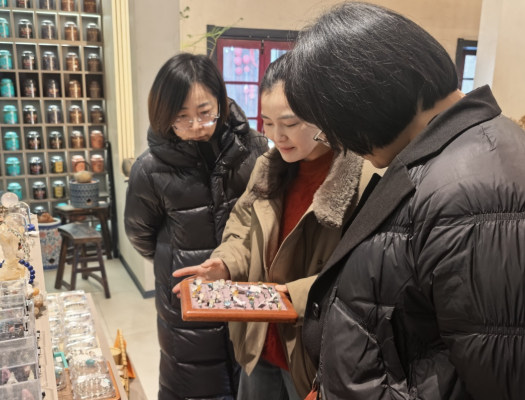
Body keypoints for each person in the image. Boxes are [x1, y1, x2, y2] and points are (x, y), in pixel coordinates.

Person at [283, 2, 525, 399]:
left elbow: (502, 379)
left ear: (366, 99)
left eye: (333, 126)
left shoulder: (474, 191)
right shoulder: (445, 158)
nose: (340, 143)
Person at [172, 54, 374, 399]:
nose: (277, 136)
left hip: (313, 353)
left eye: (290, 123)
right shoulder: (270, 166)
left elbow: (361, 274)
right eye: (267, 122)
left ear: (325, 113)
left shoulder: (361, 178)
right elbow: (243, 227)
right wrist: (224, 264)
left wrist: (288, 298)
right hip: (261, 341)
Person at [124, 53, 268, 400]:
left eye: (205, 112)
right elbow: (140, 234)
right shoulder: (150, 168)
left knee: (250, 380)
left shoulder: (254, 149)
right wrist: (176, 259)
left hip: (243, 289)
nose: (197, 126)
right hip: (186, 299)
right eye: (182, 117)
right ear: (164, 114)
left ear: (221, 101)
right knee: (194, 383)